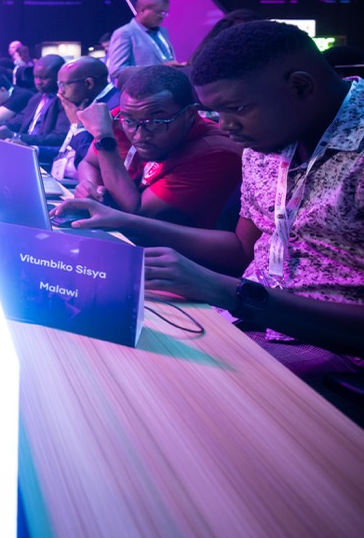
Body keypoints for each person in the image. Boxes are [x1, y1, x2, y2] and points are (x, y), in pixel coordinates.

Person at [56, 21, 363, 375]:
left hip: (329, 346)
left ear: (300, 86)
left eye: (236, 109)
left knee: (141, 370)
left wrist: (229, 291)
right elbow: (243, 248)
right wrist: (133, 229)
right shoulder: (265, 140)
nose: (226, 125)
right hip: (248, 318)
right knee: (86, 328)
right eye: (217, 112)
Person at [69, 65, 241, 228]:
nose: (139, 136)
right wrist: (91, 188)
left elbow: (136, 211)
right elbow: (89, 163)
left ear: (189, 114)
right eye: (129, 121)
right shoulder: (125, 117)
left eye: (156, 122)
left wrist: (105, 140)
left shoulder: (215, 152)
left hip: (165, 245)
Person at [0, 55, 69, 161]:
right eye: (36, 77)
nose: (38, 82)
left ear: (59, 78)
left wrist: (16, 136)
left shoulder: (64, 101)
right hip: (22, 151)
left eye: (44, 78)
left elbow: (59, 137)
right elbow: (17, 122)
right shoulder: (36, 98)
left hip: (42, 158)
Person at [50, 56, 119, 182]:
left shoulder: (114, 108)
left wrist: (77, 125)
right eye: (58, 85)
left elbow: (102, 160)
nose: (60, 92)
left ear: (89, 83)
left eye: (63, 85)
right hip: (64, 178)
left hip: (84, 185)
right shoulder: (83, 101)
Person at [106, 0, 178, 80]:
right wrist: (158, 69)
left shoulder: (163, 31)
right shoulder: (124, 33)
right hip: (145, 88)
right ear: (143, 10)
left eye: (164, 13)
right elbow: (117, 70)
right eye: (158, 12)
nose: (162, 16)